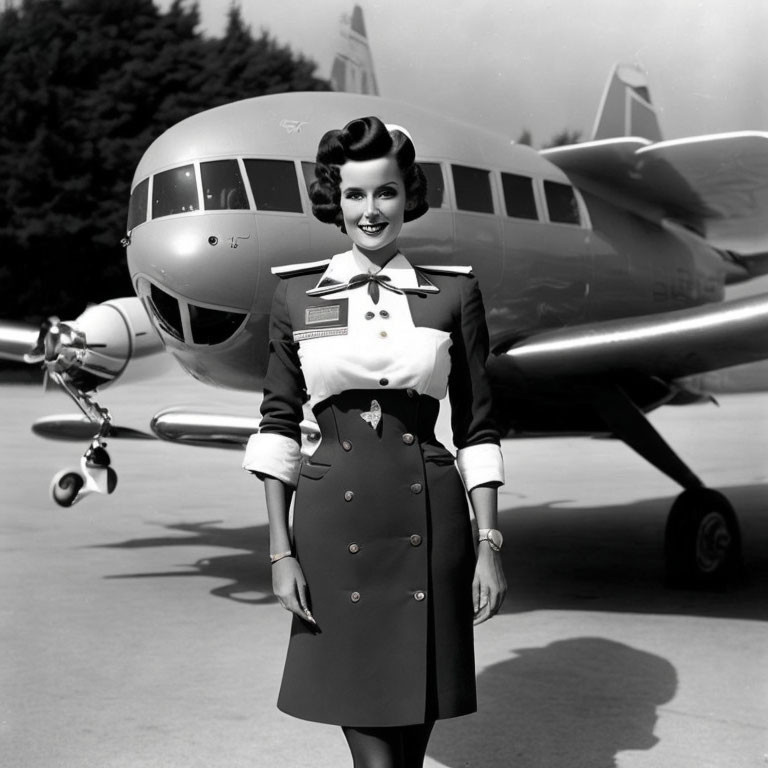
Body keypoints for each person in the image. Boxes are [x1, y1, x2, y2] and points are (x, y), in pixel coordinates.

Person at [243, 115, 506, 768]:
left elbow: (477, 429)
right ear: (335, 199)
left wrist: (489, 545)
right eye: (355, 194)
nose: (370, 210)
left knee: (410, 747)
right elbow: (277, 427)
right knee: (375, 756)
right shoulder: (298, 296)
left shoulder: (454, 293)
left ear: (407, 195)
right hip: (336, 533)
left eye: (385, 192)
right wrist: (281, 553)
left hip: (431, 524)